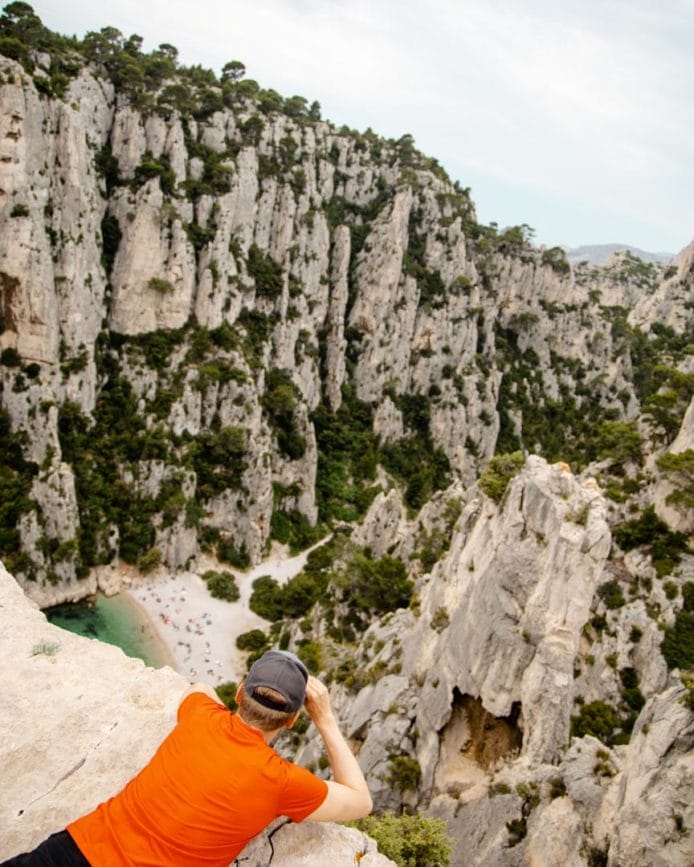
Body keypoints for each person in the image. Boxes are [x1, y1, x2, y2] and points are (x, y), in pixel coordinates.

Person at [2, 649, 372, 866]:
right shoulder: (282, 782)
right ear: (291, 721)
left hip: (74, 851)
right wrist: (325, 719)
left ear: (239, 693)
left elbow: (199, 687)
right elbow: (360, 800)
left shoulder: (200, 716)